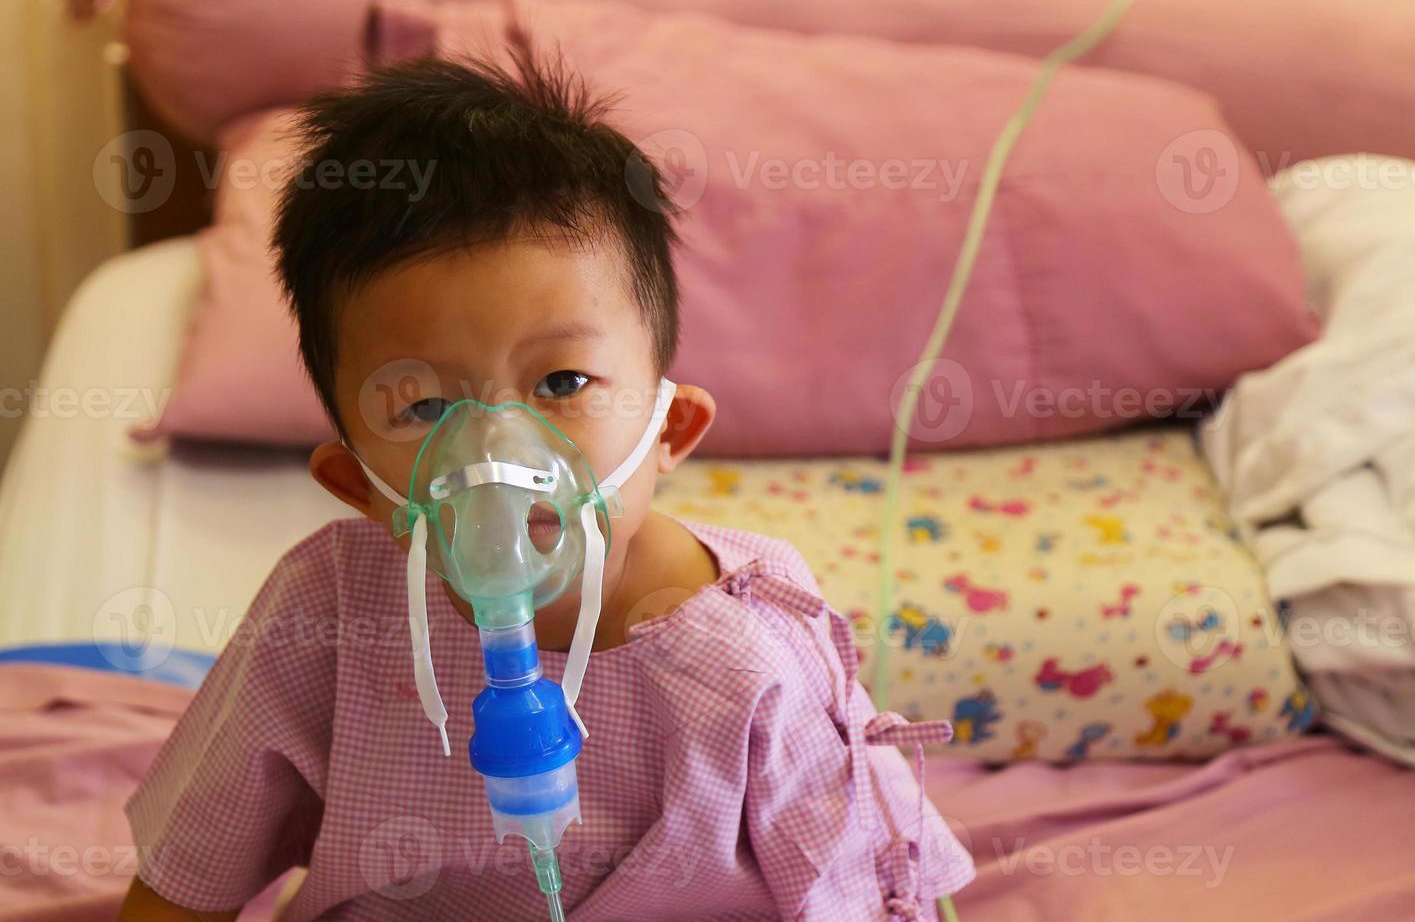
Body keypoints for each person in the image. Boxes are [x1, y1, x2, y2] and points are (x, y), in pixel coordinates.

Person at [119, 49, 972, 921]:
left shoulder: (751, 660)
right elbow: (189, 872)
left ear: (670, 432)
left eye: (562, 384)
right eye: (422, 405)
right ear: (359, 486)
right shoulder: (327, 613)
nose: (495, 451)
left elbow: (860, 897)